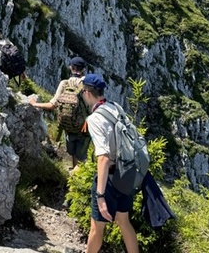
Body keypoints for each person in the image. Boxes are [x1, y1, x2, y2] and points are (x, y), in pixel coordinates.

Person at [81, 73, 139, 253]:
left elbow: (103, 157)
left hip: (110, 179)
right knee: (124, 221)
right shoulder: (116, 108)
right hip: (127, 174)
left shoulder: (95, 119)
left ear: (88, 93)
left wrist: (100, 195)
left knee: (97, 228)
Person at [29, 56, 90, 169]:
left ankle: (74, 173)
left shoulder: (64, 83)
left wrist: (35, 104)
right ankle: (78, 179)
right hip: (84, 127)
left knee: (73, 153)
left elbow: (52, 105)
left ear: (70, 67)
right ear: (83, 70)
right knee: (82, 156)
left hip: (68, 125)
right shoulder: (87, 84)